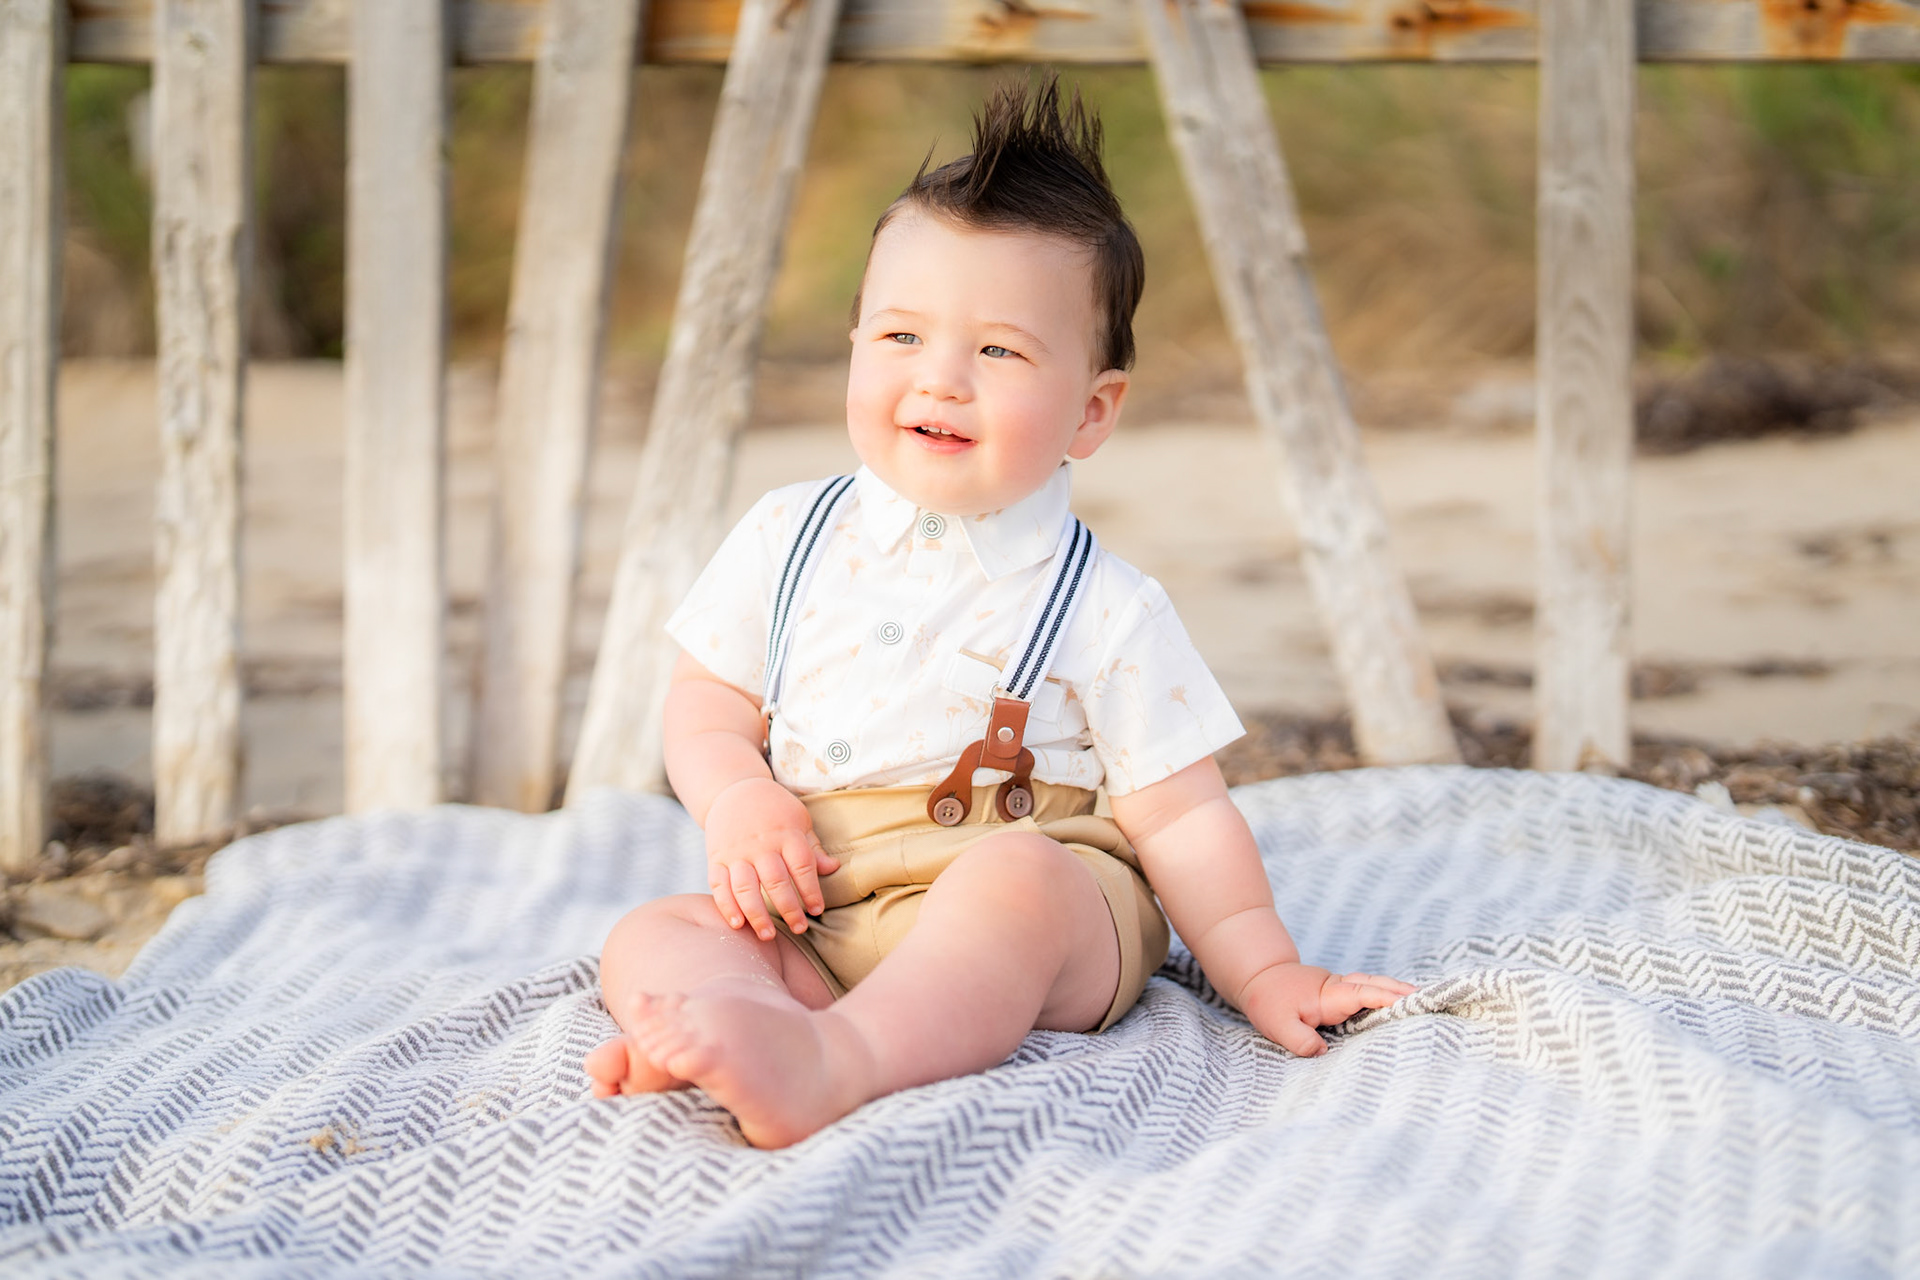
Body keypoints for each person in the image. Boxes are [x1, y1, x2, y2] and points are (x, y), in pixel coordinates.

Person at [584, 76, 1415, 1148]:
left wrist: (1265, 971)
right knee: (658, 931)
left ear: (1091, 412)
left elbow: (1183, 817)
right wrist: (739, 795)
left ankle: (842, 1062)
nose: (942, 380)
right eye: (901, 337)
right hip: (823, 906)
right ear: (854, 342)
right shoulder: (785, 533)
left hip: (1043, 899)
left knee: (1015, 883)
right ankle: (745, 1020)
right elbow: (707, 701)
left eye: (999, 351)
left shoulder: (1106, 605)